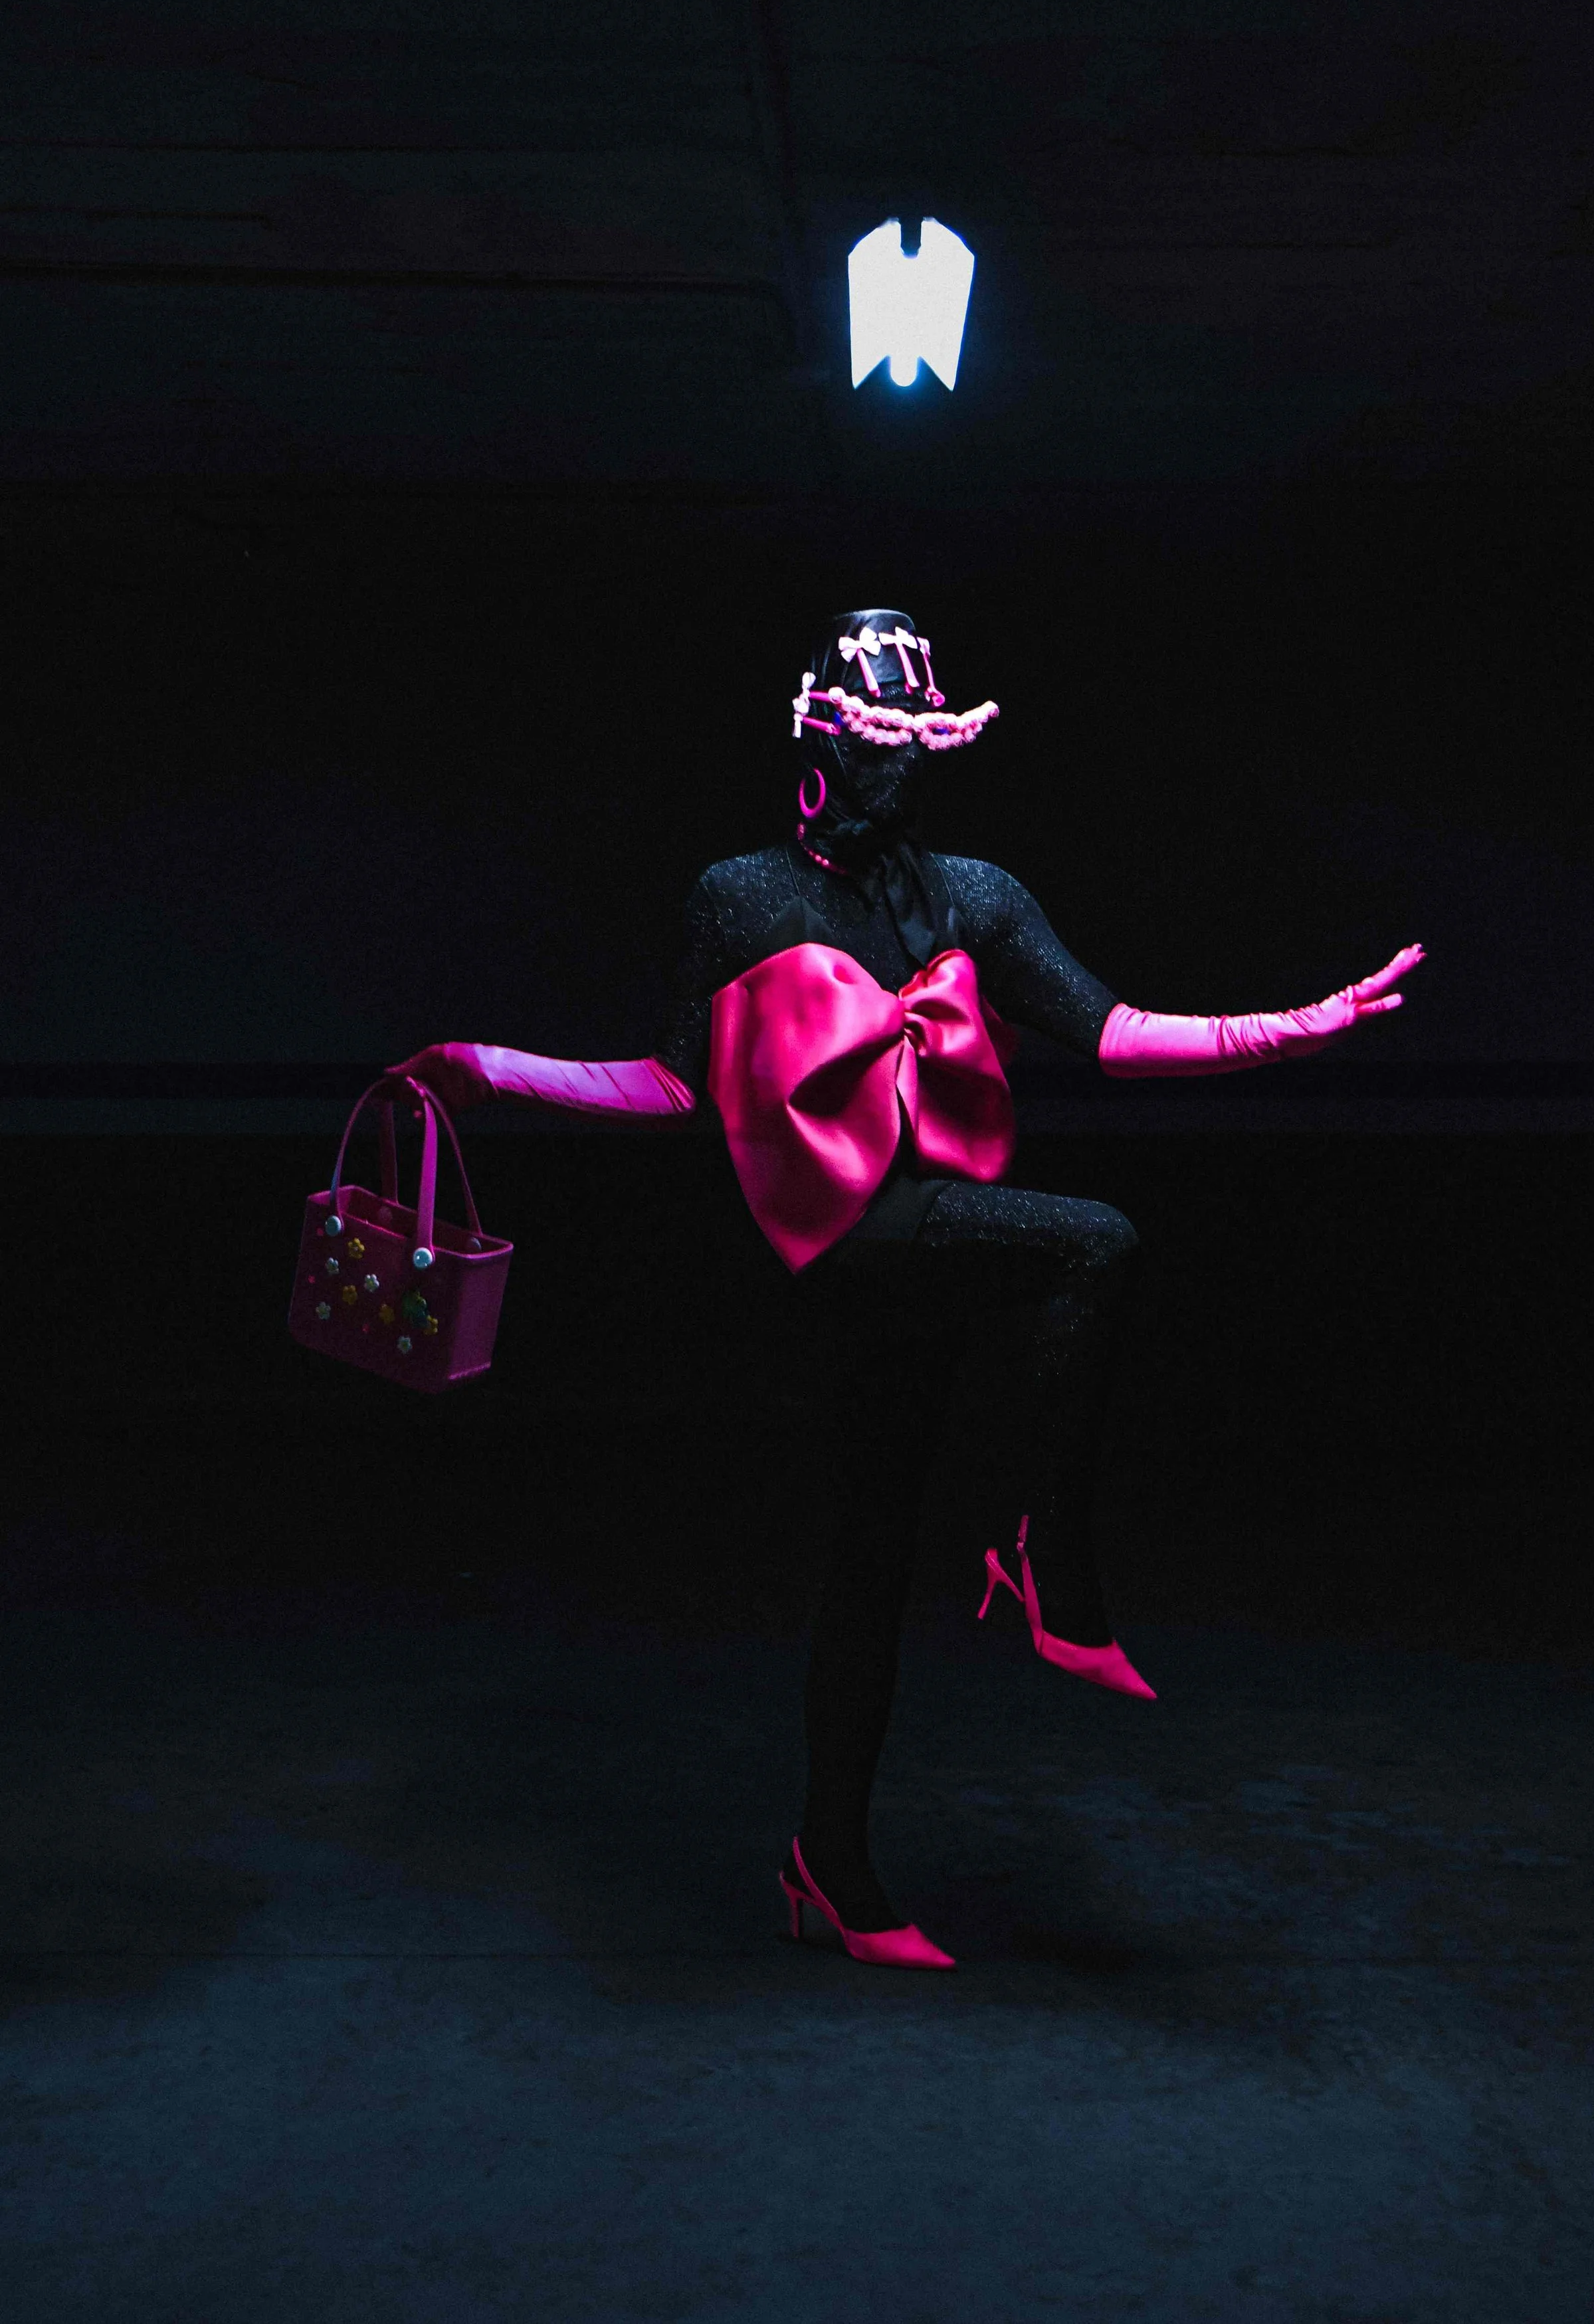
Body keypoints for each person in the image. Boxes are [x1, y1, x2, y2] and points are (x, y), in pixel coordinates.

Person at [393, 608, 1423, 1970]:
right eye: (876, 744)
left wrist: (1303, 1026)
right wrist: (489, 1068)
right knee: (1088, 1246)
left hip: (930, 1246)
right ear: (817, 738)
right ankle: (1041, 1567)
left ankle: (831, 1861)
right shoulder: (740, 895)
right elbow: (673, 1090)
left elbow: (1112, 1033)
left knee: (872, 1572)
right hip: (840, 1252)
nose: (900, 772)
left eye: (917, 747)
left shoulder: (972, 896)